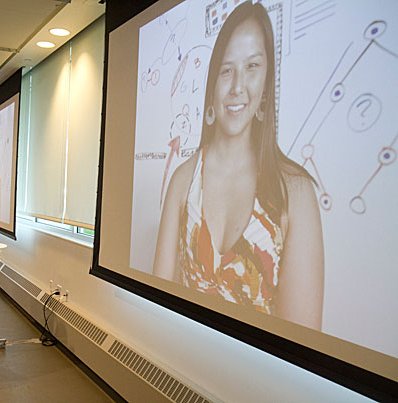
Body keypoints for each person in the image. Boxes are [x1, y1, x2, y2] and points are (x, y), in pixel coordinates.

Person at [153, 2, 324, 330]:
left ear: (266, 87)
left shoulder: (296, 191)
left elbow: (300, 341)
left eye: (252, 66)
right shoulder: (183, 181)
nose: (237, 87)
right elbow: (157, 309)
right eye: (227, 70)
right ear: (212, 86)